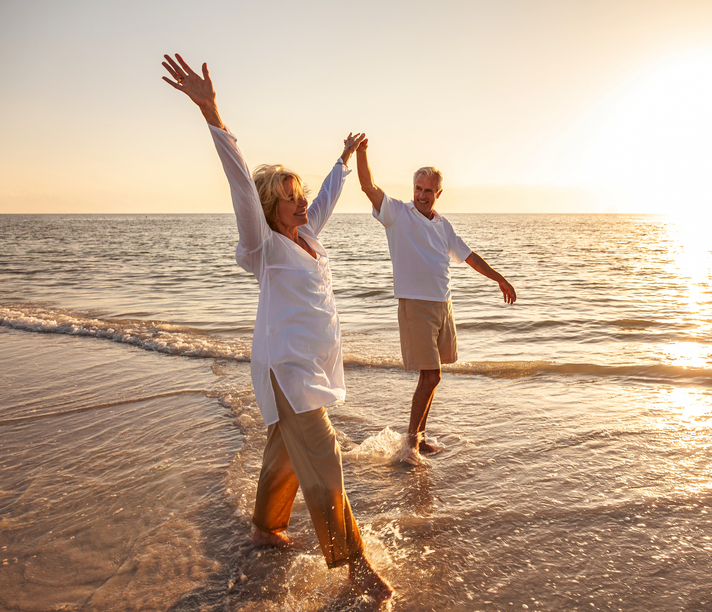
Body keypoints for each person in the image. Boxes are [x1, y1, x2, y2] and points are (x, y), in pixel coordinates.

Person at [161, 54, 392, 604]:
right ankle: (354, 565)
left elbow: (330, 196)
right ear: (270, 206)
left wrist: (342, 160)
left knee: (285, 454)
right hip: (286, 368)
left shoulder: (308, 237)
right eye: (288, 197)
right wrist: (213, 113)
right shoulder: (262, 247)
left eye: (299, 193)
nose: (300, 201)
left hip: (309, 364)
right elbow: (242, 185)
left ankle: (265, 526)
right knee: (322, 454)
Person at [355, 137, 516, 462]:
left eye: (429, 190)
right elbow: (368, 186)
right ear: (412, 189)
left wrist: (499, 278)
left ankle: (419, 437)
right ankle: (411, 444)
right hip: (415, 304)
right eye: (418, 188)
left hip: (443, 305)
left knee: (433, 374)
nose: (422, 195)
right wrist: (362, 153)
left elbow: (469, 257)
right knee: (431, 375)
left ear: (438, 193)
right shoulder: (398, 214)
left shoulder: (443, 225)